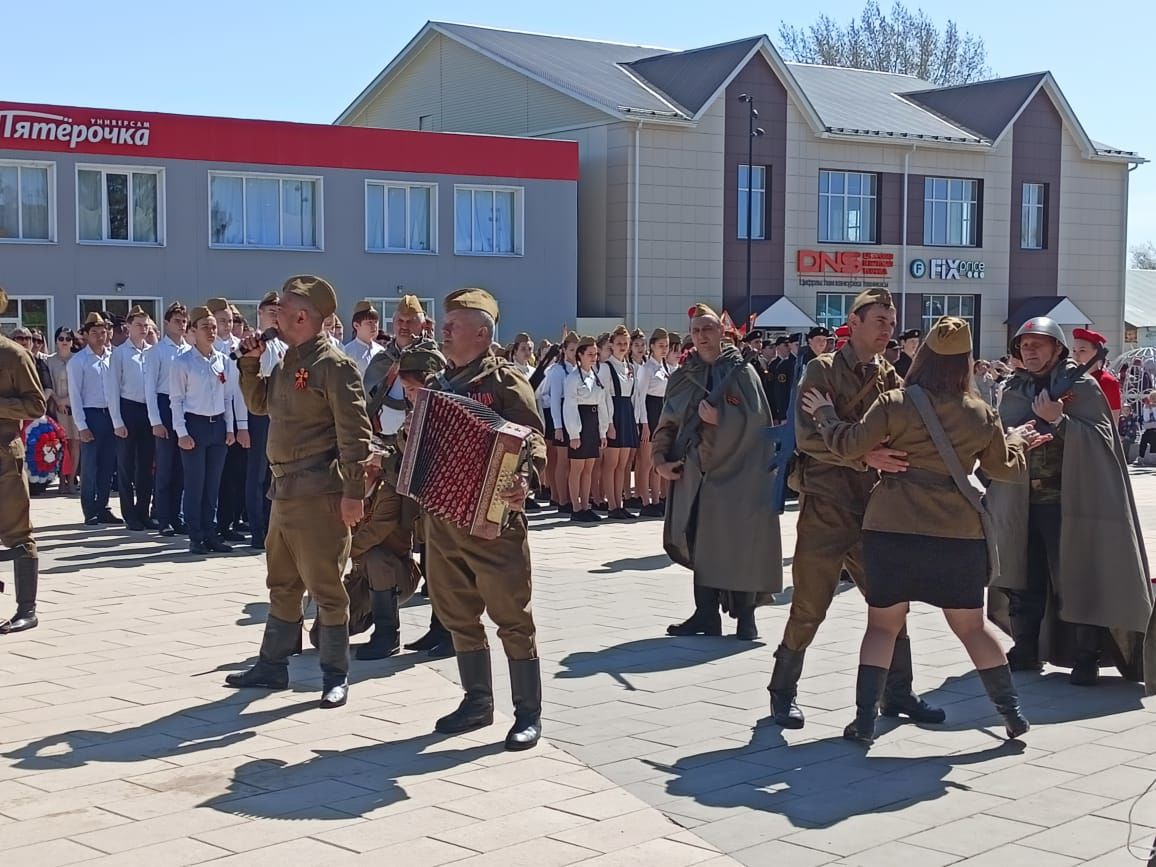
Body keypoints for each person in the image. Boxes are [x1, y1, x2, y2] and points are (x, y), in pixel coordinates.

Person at [800, 317, 1043, 744]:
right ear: (966, 363)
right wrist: (1018, 440)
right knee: (972, 628)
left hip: (891, 527)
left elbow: (849, 445)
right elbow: (1004, 467)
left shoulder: (895, 402)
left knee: (882, 627)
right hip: (957, 533)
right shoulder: (980, 413)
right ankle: (1012, 713)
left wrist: (823, 413)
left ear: (924, 356)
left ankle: (863, 722)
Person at [768, 288, 944, 730]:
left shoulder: (891, 378)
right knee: (809, 604)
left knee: (891, 603)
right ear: (856, 321)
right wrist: (863, 454)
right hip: (827, 504)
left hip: (876, 506)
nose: (888, 329)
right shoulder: (821, 370)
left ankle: (898, 693)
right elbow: (809, 438)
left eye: (891, 320)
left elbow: (904, 432)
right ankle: (782, 692)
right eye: (880, 320)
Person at [228, 275, 373, 709]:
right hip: (285, 492)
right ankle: (272, 666)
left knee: (326, 585)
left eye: (283, 309)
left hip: (319, 493)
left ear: (303, 316)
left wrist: (354, 493)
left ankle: (335, 673)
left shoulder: (334, 365)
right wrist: (250, 363)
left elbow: (356, 437)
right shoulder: (288, 360)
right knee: (282, 583)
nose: (275, 316)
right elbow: (260, 405)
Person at [987, 317, 1154, 690]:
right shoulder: (1014, 388)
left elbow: (1101, 444)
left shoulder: (1084, 386)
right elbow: (998, 436)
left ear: (1057, 349)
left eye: (1038, 345)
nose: (1029, 351)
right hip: (1021, 499)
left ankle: (1086, 658)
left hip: (1072, 502)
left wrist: (1059, 420)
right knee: (1021, 576)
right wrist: (1011, 437)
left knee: (1077, 578)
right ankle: (1025, 648)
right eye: (1024, 345)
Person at [427, 288, 547, 751]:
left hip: (493, 518)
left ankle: (527, 712)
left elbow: (533, 438)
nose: (444, 331)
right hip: (443, 518)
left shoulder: (505, 383)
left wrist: (526, 479)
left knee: (512, 616)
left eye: (452, 325)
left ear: (480, 333)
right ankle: (477, 701)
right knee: (456, 612)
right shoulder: (438, 384)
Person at [652, 303, 779, 641]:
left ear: (722, 333)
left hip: (738, 472)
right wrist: (661, 460)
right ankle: (706, 613)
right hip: (695, 472)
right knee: (699, 540)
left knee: (739, 543)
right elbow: (668, 422)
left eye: (707, 329)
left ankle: (746, 617)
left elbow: (758, 422)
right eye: (695, 331)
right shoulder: (684, 376)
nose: (701, 336)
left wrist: (722, 420)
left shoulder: (742, 372)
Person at [353, 347, 447, 661]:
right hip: (422, 512)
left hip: (442, 506)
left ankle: (451, 634)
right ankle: (439, 628)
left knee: (446, 572)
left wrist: (388, 461)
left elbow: (416, 462)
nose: (407, 396)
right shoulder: (415, 416)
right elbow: (403, 455)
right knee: (434, 570)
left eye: (410, 389)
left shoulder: (438, 416)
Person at [0, 289, 47, 634]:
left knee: (18, 532)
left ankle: (26, 609)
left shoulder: (14, 355)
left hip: (3, 455)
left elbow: (36, 406)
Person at [171, 306, 235, 555]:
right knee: (195, 484)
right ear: (193, 331)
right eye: (206, 327)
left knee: (213, 484)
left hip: (217, 425)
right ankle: (195, 535)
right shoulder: (183, 362)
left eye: (213, 327)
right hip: (194, 426)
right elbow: (176, 400)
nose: (211, 331)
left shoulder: (222, 360)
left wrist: (230, 428)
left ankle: (211, 532)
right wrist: (181, 433)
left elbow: (228, 396)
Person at [68, 313, 121, 526]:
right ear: (86, 335)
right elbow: (75, 395)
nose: (100, 337)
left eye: (103, 332)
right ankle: (89, 509)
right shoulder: (78, 361)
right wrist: (82, 425)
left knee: (108, 466)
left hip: (111, 415)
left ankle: (103, 506)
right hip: (91, 415)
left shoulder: (113, 357)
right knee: (90, 466)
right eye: (94, 333)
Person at [244, 292, 286, 549]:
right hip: (258, 414)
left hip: (280, 414)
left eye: (278, 312)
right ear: (260, 314)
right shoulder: (253, 344)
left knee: (274, 475)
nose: (275, 316)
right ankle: (257, 529)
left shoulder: (284, 345)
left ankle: (272, 526)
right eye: (271, 311)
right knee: (257, 475)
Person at [108, 306, 156, 530]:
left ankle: (143, 510)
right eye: (139, 325)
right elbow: (112, 389)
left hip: (148, 411)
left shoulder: (152, 352)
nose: (143, 329)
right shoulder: (119, 353)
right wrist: (117, 421)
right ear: (128, 327)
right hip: (128, 409)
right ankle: (129, 514)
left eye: (146, 325)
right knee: (126, 465)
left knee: (146, 465)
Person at [145, 303, 191, 537]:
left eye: (184, 321)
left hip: (183, 407)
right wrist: (156, 421)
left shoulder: (189, 350)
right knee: (165, 467)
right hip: (164, 406)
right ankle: (163, 517)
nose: (181, 325)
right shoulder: (157, 352)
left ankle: (178, 515)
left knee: (182, 468)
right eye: (177, 321)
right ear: (166, 323)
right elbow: (150, 389)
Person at [206, 298, 249, 543]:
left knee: (234, 475)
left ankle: (228, 522)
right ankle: (210, 525)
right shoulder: (207, 348)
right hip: (213, 417)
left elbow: (239, 391)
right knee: (214, 477)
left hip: (236, 413)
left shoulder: (239, 347)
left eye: (229, 321)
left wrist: (241, 426)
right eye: (221, 320)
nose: (225, 326)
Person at [363, 296, 437, 437]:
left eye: (410, 321)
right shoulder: (380, 359)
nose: (404, 326)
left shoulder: (432, 359)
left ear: (422, 326)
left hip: (418, 441)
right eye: (400, 321)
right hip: (379, 442)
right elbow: (365, 399)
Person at [564, 335, 610, 522]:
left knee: (589, 467)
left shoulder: (595, 376)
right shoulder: (573, 378)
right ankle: (576, 507)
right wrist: (574, 433)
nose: (594, 357)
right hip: (580, 421)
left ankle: (586, 505)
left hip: (593, 422)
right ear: (580, 355)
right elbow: (570, 406)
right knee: (577, 467)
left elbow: (602, 404)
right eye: (590, 354)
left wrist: (603, 431)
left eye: (595, 354)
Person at [599, 325, 640, 519]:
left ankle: (619, 502)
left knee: (623, 464)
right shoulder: (606, 368)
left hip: (627, 413)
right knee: (611, 463)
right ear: (611, 345)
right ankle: (611, 505)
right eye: (619, 343)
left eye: (625, 343)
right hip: (614, 414)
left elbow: (634, 396)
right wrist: (608, 424)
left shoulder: (629, 367)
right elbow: (603, 397)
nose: (622, 346)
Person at [634, 328, 672, 517]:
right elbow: (640, 397)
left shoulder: (664, 367)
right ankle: (645, 500)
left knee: (658, 459)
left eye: (666, 346)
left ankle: (658, 498)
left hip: (662, 410)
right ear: (652, 347)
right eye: (660, 346)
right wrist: (644, 424)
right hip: (650, 410)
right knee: (646, 461)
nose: (664, 349)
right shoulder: (646, 368)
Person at [545, 333, 579, 513]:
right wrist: (557, 426)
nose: (574, 353)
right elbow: (555, 399)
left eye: (577, 350)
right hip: (561, 418)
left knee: (573, 461)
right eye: (571, 349)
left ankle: (568, 495)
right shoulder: (559, 371)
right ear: (564, 350)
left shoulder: (580, 370)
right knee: (562, 460)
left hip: (576, 417)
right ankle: (560, 498)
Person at [46, 327, 81, 494]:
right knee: (61, 445)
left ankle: (72, 480)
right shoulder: (49, 361)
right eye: (61, 338)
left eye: (68, 338)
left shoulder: (78, 359)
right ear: (55, 340)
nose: (65, 341)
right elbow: (47, 385)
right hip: (57, 409)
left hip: (75, 408)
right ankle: (61, 480)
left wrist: (66, 400)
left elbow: (81, 386)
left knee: (75, 444)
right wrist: (58, 401)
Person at [1071, 328, 1122, 426]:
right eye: (1074, 350)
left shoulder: (1108, 382)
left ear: (1097, 353)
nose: (1076, 356)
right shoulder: (1070, 379)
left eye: (1082, 350)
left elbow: (1113, 422)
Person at [344, 300, 385, 378]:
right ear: (356, 325)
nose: (374, 326)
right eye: (369, 322)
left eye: (376, 322)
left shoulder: (381, 351)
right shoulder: (347, 353)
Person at [1137, 393, 1156, 463]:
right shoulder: (1146, 407)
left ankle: (1153, 457)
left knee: (1154, 439)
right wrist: (1147, 409)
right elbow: (1146, 419)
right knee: (1143, 440)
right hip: (1149, 428)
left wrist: (1154, 408)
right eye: (1152, 399)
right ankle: (1140, 457)